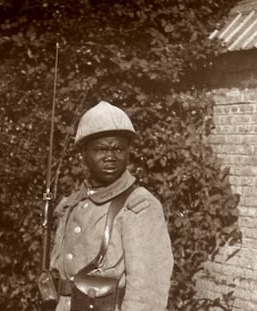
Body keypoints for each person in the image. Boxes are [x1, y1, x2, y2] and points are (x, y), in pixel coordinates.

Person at [49, 100, 173, 311]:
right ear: (83, 153)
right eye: (101, 149)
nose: (110, 157)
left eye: (119, 149)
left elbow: (147, 293)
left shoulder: (139, 206)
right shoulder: (75, 202)